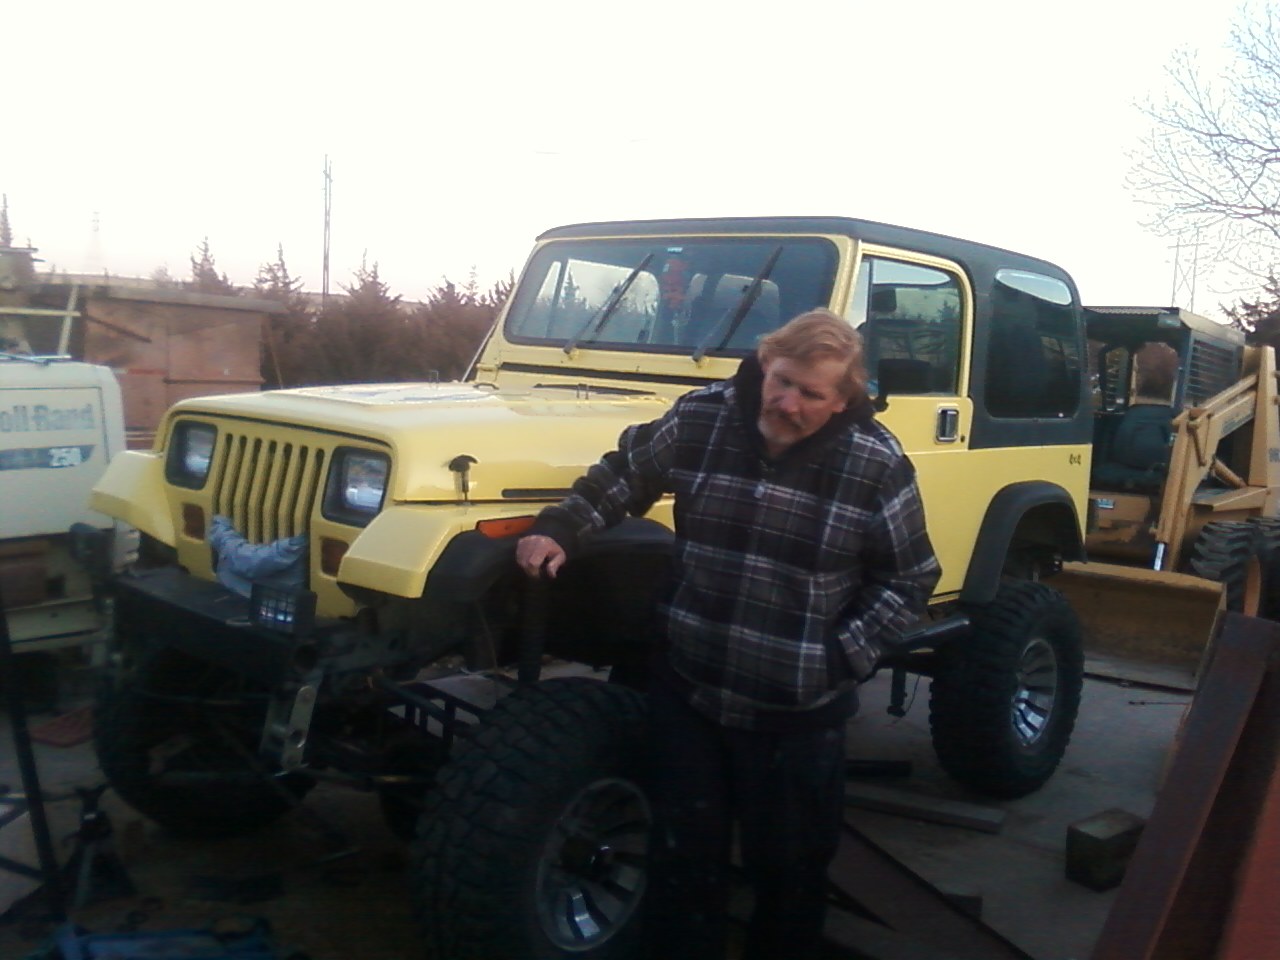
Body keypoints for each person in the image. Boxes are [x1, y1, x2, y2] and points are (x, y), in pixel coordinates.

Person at [515, 309, 940, 960]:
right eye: (782, 381)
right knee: (683, 861)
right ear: (766, 364)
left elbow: (909, 578)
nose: (788, 403)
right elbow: (624, 474)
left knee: (789, 877)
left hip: (797, 718)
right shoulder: (702, 418)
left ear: (844, 399)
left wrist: (836, 657)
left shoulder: (875, 464)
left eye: (811, 394)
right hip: (692, 694)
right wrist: (560, 527)